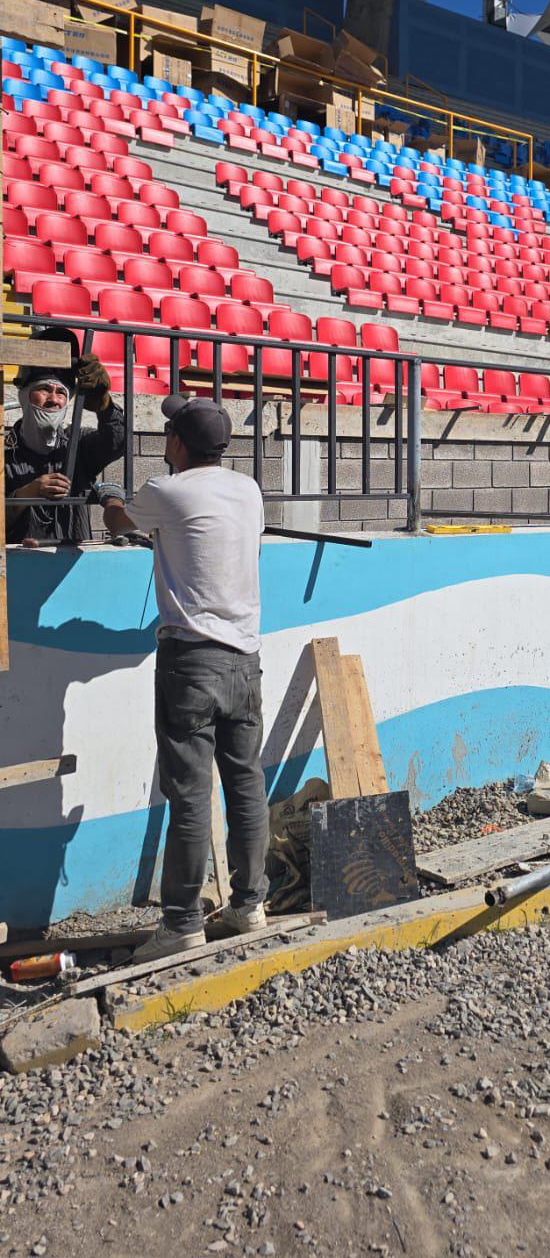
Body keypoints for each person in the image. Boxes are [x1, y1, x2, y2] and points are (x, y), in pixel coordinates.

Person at [99, 394, 269, 963]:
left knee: (191, 796)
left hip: (191, 662)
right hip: (245, 658)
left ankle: (182, 922)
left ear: (177, 444)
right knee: (245, 785)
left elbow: (117, 521)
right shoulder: (248, 490)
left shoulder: (165, 492)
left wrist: (109, 494)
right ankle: (250, 903)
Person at [6, 328, 125, 546]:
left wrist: (104, 406)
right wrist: (27, 493)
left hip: (72, 567)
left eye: (61, 392)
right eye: (44, 389)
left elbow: (115, 443)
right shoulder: (6, 453)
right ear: (23, 396)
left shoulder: (76, 443)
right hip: (20, 566)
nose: (53, 400)